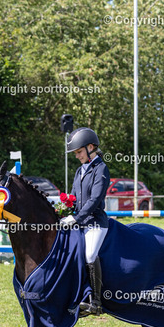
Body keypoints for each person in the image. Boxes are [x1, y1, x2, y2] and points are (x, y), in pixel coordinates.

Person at [60, 127, 110, 316]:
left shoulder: (101, 169)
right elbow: (73, 197)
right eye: (75, 153)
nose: (77, 156)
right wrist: (63, 210)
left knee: (89, 254)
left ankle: (96, 302)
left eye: (79, 151)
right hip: (80, 222)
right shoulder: (79, 170)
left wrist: (76, 218)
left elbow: (95, 199)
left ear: (91, 147)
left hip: (95, 222)